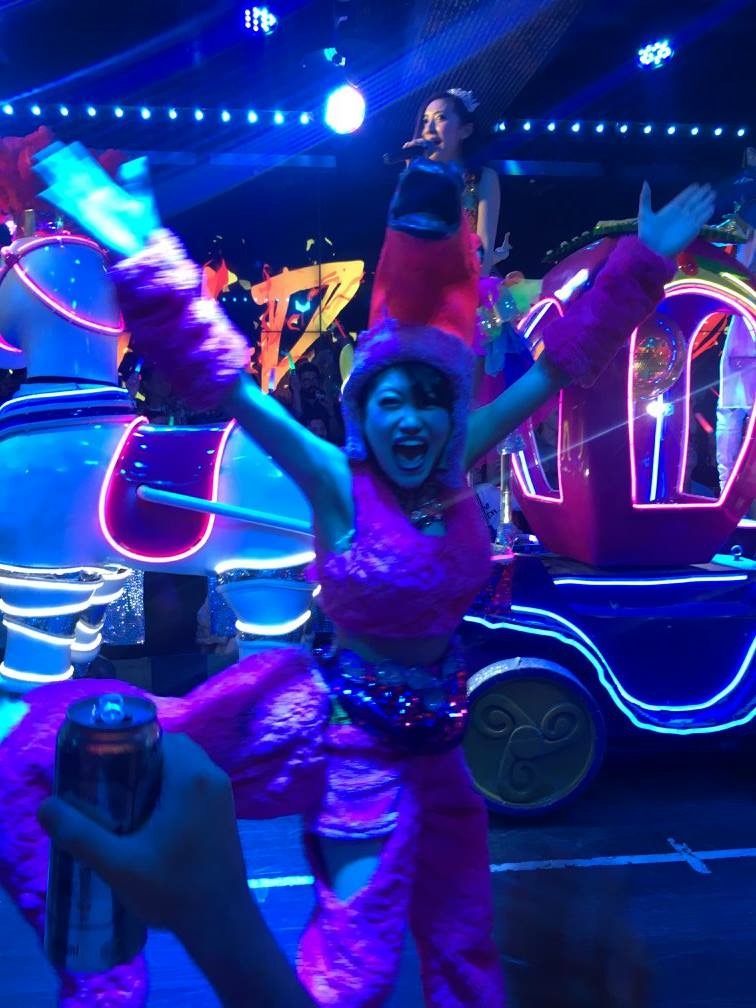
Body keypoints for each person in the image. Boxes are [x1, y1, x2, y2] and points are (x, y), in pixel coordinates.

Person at [0, 139, 714, 1008]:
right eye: (390, 400)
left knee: (466, 950)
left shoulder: (456, 466)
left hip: (443, 753)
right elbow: (229, 387)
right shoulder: (334, 481)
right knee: (355, 965)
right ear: (361, 409)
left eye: (430, 402)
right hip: (355, 757)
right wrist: (146, 254)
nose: (411, 421)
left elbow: (560, 368)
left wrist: (644, 262)